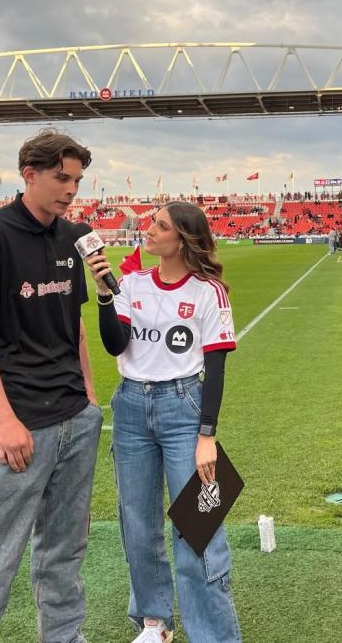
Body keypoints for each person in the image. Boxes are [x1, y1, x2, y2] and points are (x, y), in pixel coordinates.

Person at [0, 128, 103, 643]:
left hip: (74, 420)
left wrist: (90, 399)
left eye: (77, 179)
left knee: (65, 553)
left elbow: (73, 325)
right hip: (18, 428)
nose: (72, 189)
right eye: (62, 178)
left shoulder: (70, 236)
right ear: (28, 174)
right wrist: (4, 419)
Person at [86, 201, 242, 643]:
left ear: (182, 240)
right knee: (138, 524)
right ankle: (154, 622)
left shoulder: (208, 292)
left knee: (200, 527)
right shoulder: (132, 283)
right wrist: (103, 294)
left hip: (185, 409)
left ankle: (213, 633)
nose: (148, 231)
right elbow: (115, 344)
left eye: (160, 226)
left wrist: (207, 434)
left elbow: (216, 367)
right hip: (131, 408)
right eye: (151, 223)